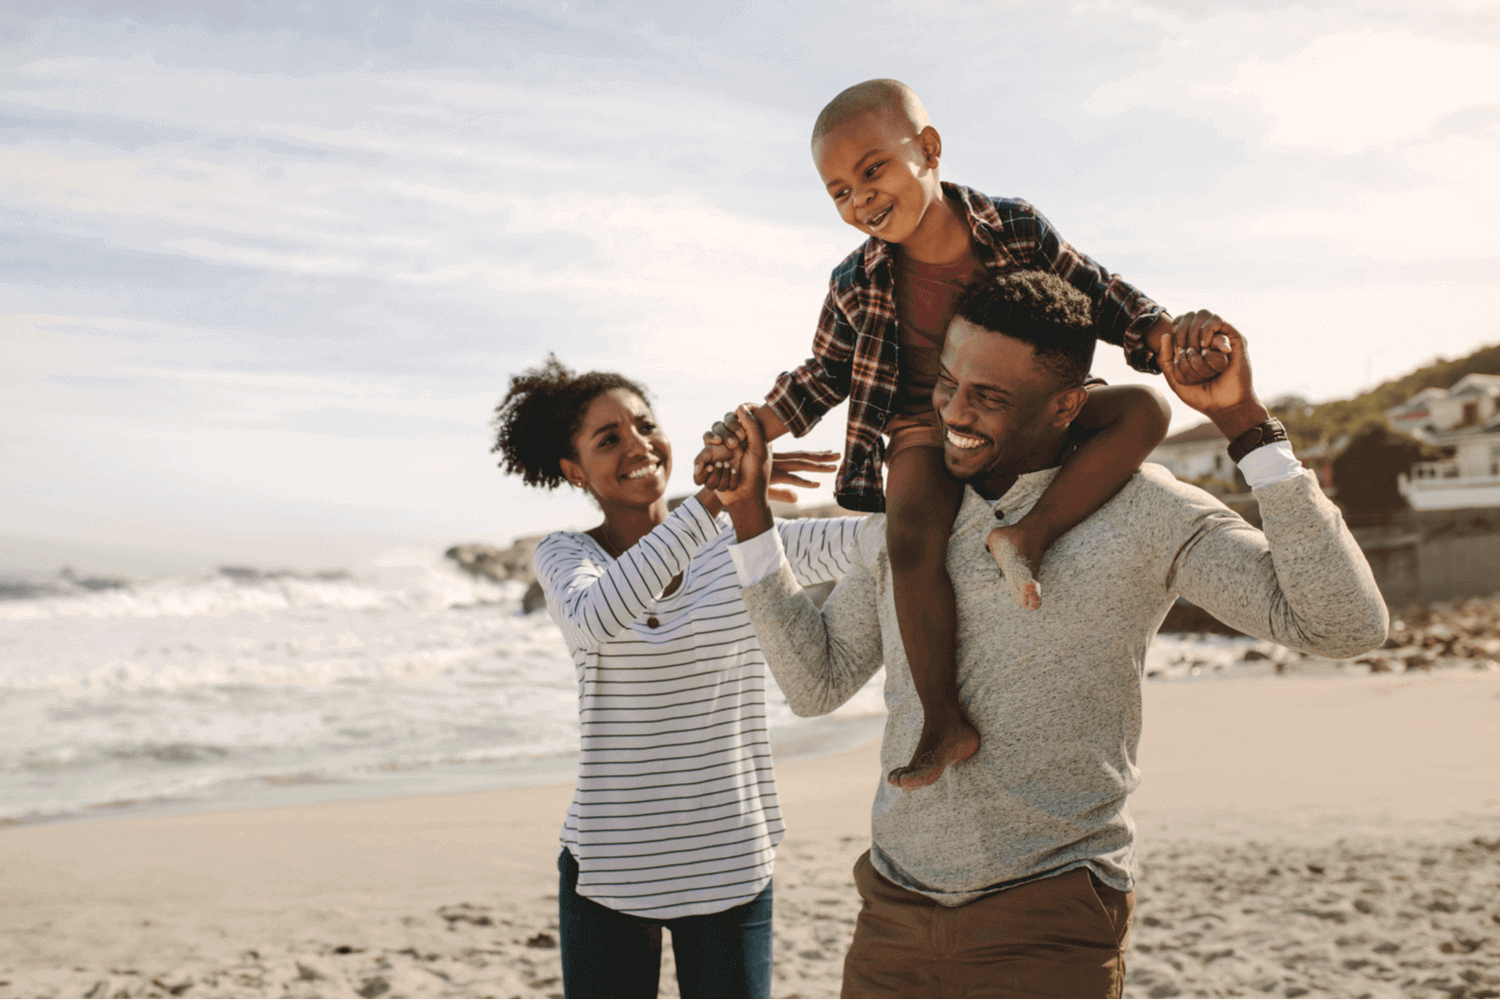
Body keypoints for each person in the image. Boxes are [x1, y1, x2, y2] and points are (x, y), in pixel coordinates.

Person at [713, 272, 1389, 998]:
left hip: (1051, 917)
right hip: (894, 912)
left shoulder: (1145, 512)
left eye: (990, 398)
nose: (954, 413)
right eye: (947, 383)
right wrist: (751, 518)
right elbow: (816, 684)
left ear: (1068, 405)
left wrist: (1245, 424)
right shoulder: (913, 520)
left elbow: (1344, 624)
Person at [699, 78, 1229, 791]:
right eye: (838, 193)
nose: (860, 201)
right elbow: (822, 374)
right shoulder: (855, 280)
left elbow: (1102, 294)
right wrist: (754, 424)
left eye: (872, 171)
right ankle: (943, 720)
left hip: (1026, 412)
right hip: (926, 424)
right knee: (910, 534)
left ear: (928, 149)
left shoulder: (1014, 228)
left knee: (1145, 413)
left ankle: (1029, 534)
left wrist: (1165, 335)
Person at [491, 356, 860, 1000]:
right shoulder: (565, 555)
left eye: (644, 425)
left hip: (731, 863)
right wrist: (714, 502)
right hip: (609, 869)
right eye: (609, 439)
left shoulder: (744, 541)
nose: (638, 445)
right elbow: (597, 616)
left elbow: (878, 543)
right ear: (574, 471)